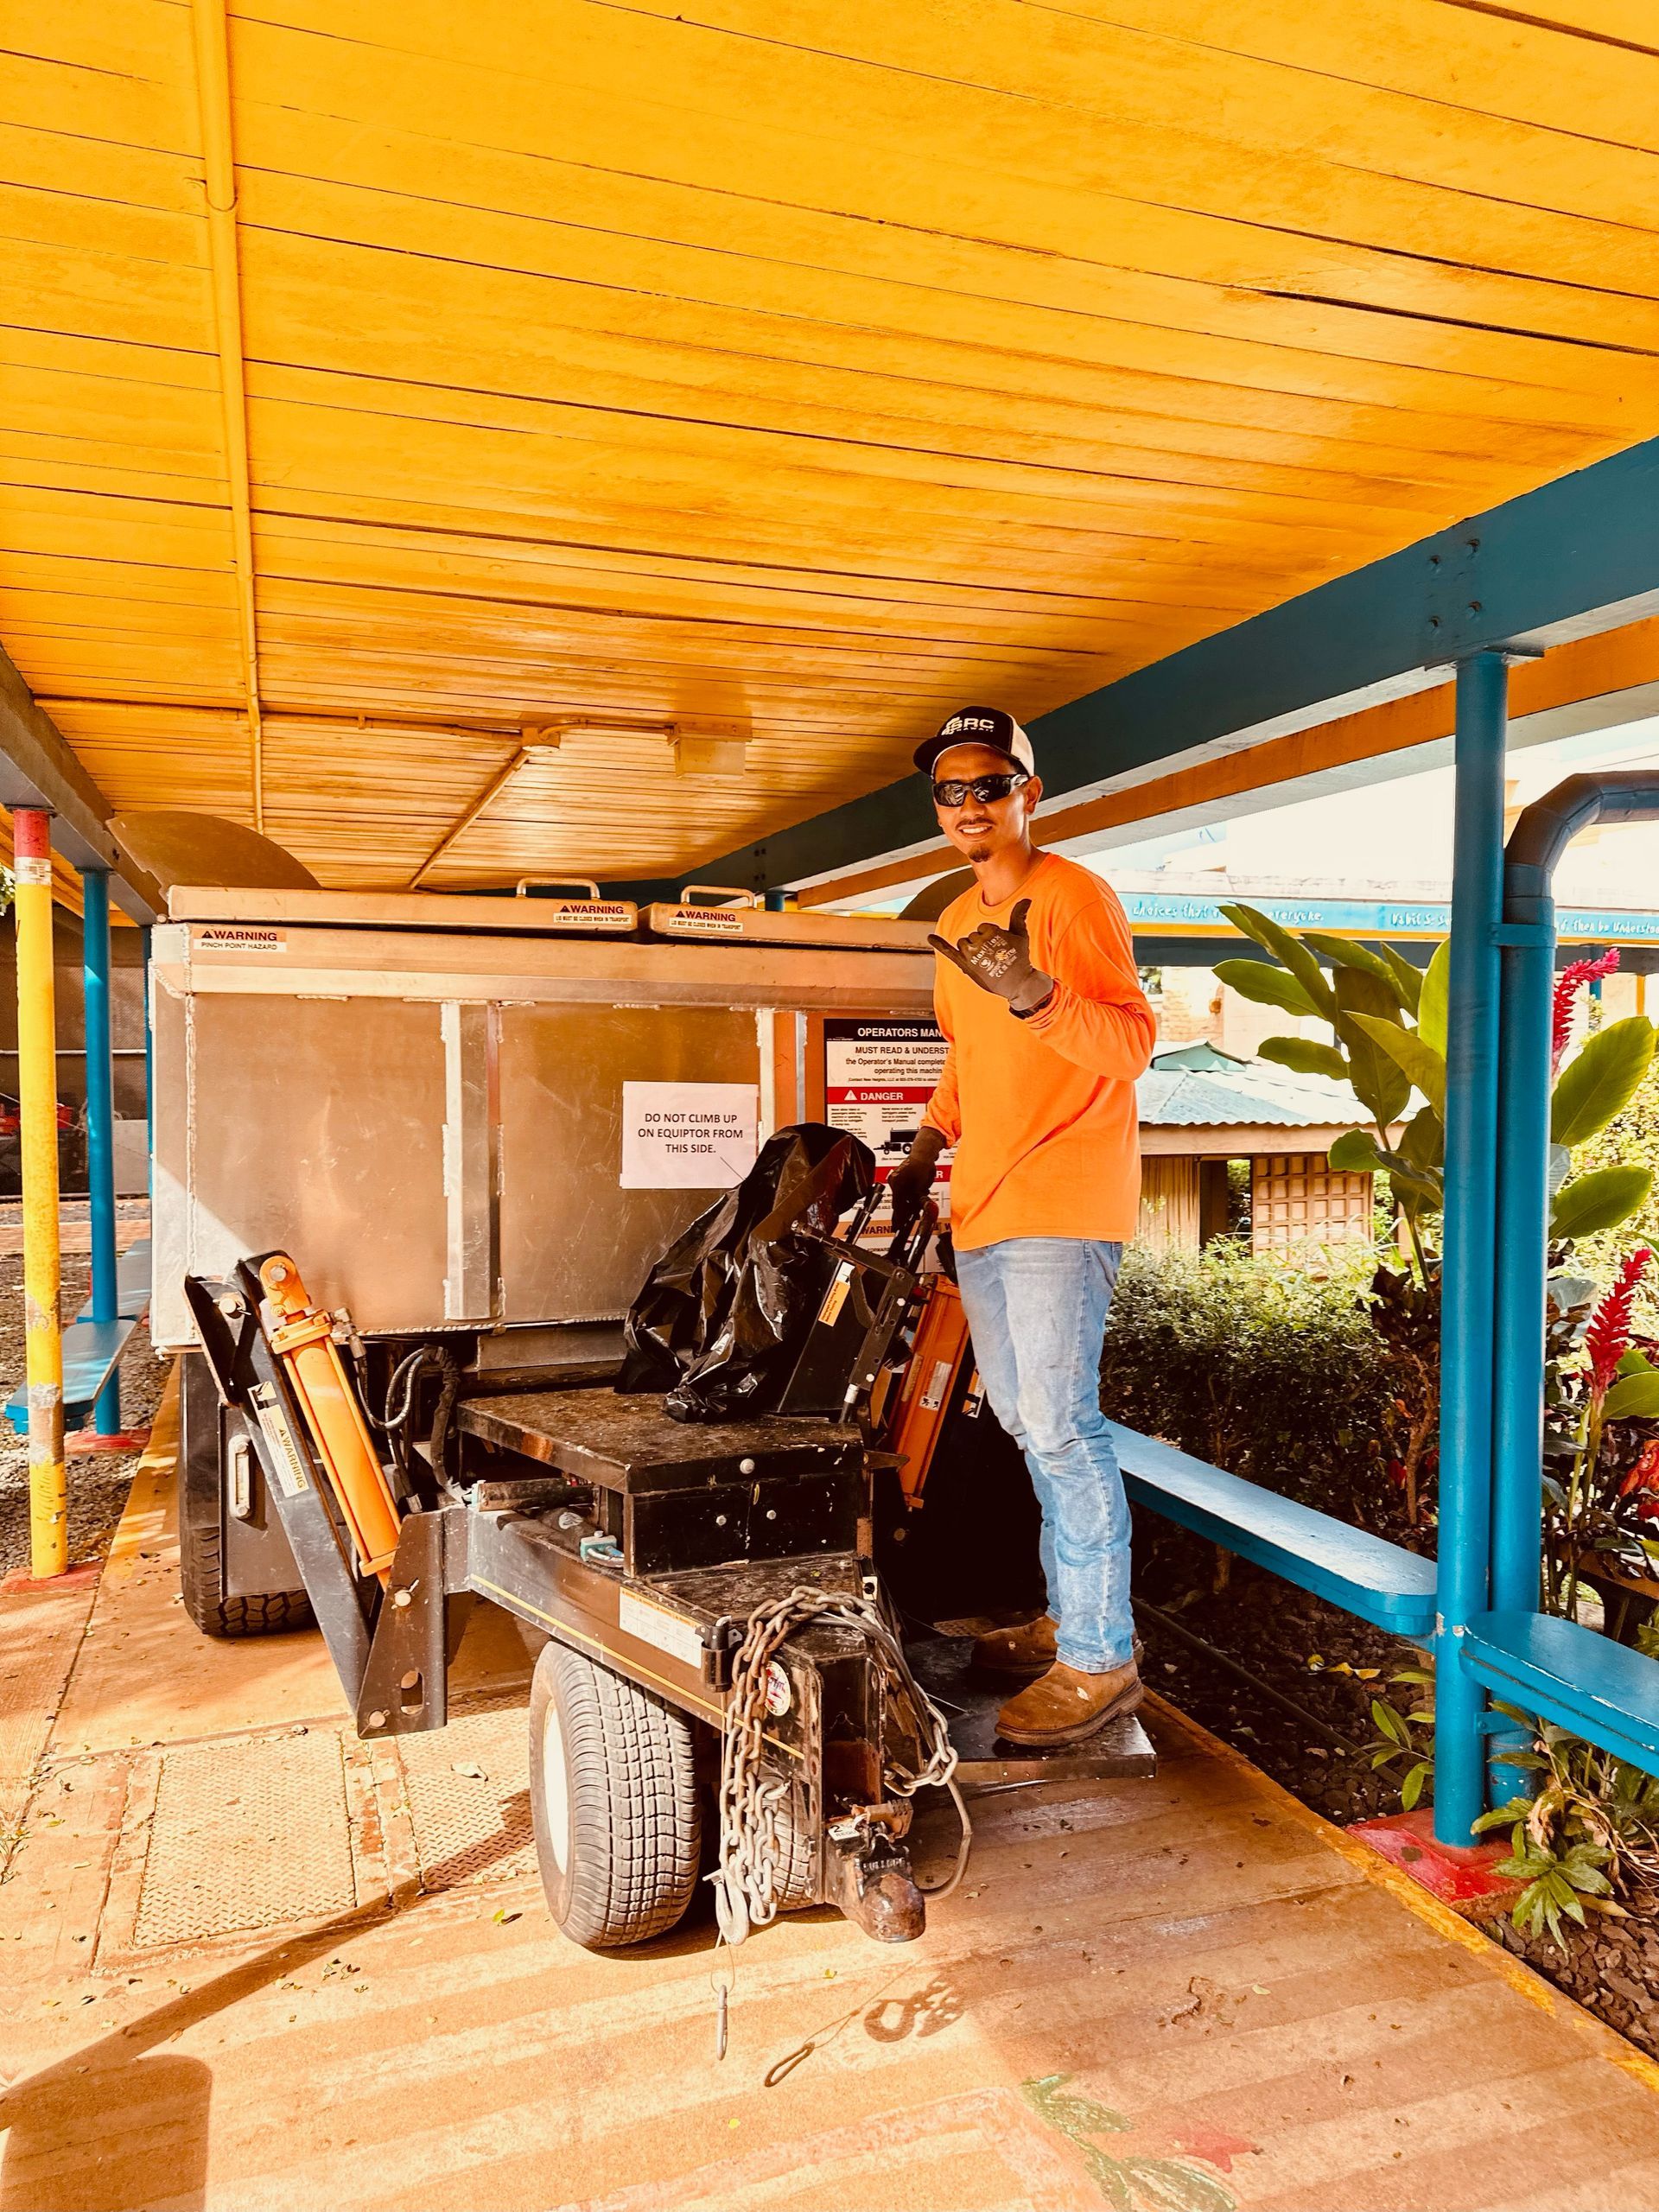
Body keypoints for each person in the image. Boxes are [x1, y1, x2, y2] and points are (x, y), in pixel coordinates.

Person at [887, 706, 1156, 1745]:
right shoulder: (956, 919)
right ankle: (1066, 1619)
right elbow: (968, 1053)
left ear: (1027, 793)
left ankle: (1100, 1659)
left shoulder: (1075, 896)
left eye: (989, 785)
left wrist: (1039, 993)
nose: (968, 805)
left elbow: (1131, 1043)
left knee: (1061, 1426)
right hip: (984, 1201)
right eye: (949, 791)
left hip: (1062, 1200)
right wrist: (925, 1145)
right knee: (1026, 1425)